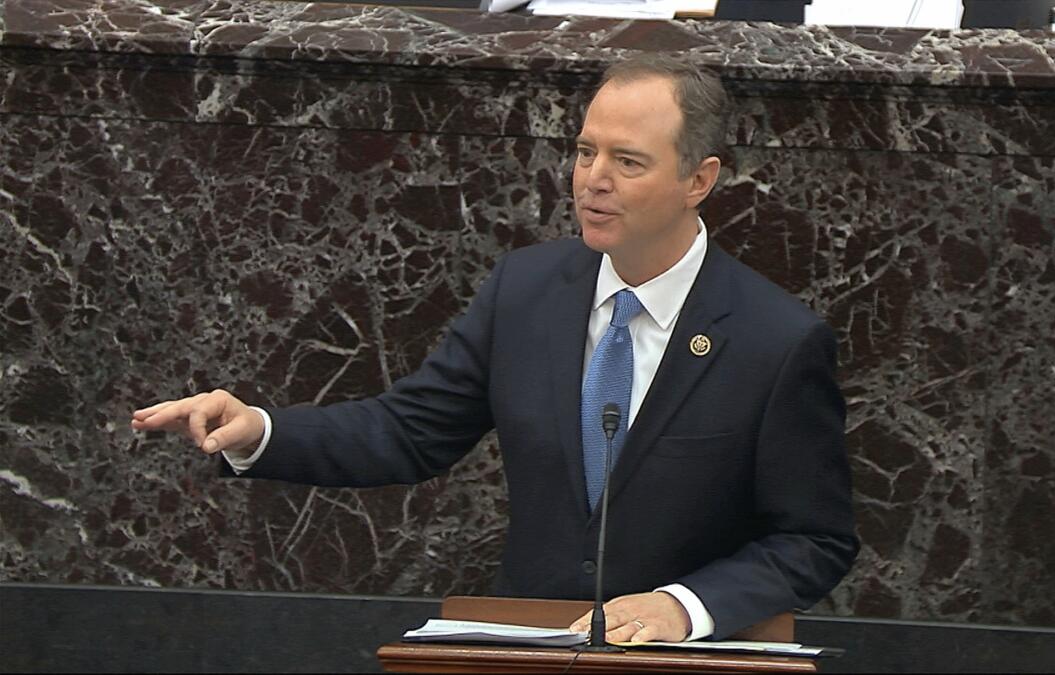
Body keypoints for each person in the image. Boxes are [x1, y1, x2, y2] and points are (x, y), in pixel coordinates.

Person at [131, 54, 858, 643]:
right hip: (530, 649)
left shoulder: (776, 339)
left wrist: (684, 604)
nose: (592, 180)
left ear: (699, 180)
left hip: (690, 661)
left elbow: (814, 538)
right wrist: (260, 429)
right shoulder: (527, 291)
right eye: (583, 151)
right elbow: (409, 430)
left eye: (627, 161)